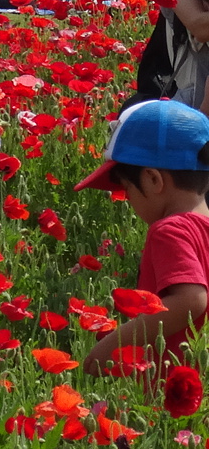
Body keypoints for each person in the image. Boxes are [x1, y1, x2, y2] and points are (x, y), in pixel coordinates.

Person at [75, 100, 209, 375]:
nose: (128, 199)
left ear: (152, 179)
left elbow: (191, 300)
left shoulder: (170, 230)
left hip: (174, 382)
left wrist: (115, 343)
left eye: (126, 188)